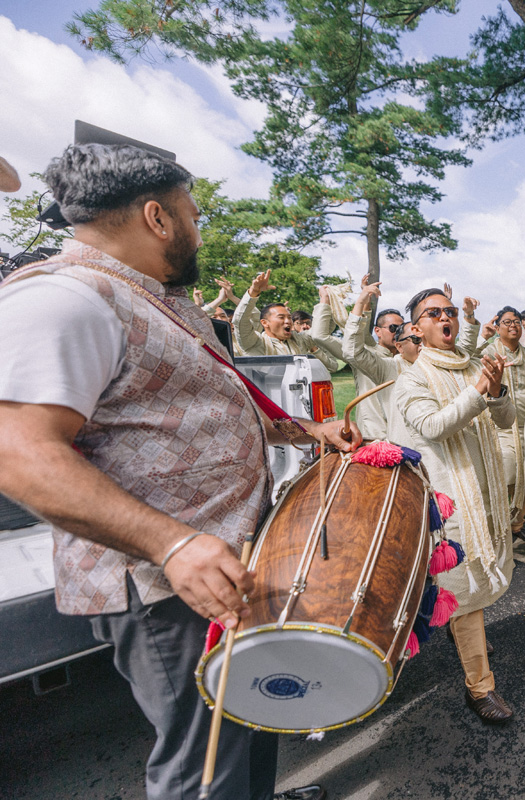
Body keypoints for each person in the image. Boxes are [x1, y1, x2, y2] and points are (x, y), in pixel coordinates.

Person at [0, 142, 358, 800]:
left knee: (250, 712)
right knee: (203, 764)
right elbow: (18, 454)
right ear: (158, 218)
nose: (198, 230)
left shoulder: (156, 300)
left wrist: (307, 427)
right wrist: (173, 543)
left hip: (225, 565)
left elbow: (200, 406)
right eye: (194, 215)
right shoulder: (66, 299)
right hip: (167, 585)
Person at [393, 286, 517, 723]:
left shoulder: (473, 367)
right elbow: (433, 425)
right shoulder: (412, 378)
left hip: (481, 492)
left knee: (460, 590)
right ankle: (479, 688)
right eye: (433, 313)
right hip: (442, 503)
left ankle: (452, 629)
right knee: (462, 590)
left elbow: (506, 419)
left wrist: (496, 390)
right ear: (417, 329)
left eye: (449, 311)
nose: (445, 317)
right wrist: (480, 389)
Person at [320, 277, 407, 440]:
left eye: (401, 328)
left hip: (405, 435)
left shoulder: (408, 359)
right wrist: (362, 299)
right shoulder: (365, 353)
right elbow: (325, 335)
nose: (398, 332)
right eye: (393, 328)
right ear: (378, 331)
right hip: (374, 435)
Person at [481, 306, 525, 544]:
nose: (513, 325)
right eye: (506, 322)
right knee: (505, 475)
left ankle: (516, 524)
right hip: (501, 427)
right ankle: (495, 527)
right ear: (497, 328)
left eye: (516, 321)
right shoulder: (487, 353)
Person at [232, 270, 340, 372]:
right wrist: (254, 292)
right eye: (281, 317)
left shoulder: (300, 339)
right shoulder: (254, 342)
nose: (288, 321)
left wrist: (325, 300)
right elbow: (240, 321)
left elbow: (322, 329)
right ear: (265, 322)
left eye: (289, 317)